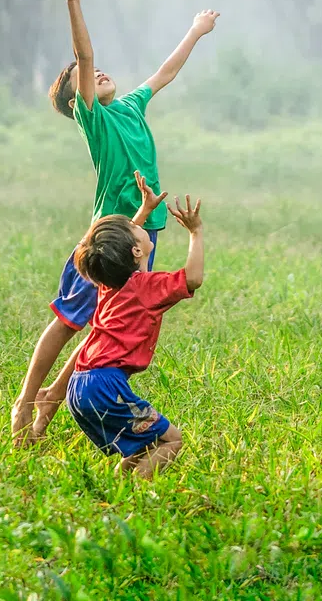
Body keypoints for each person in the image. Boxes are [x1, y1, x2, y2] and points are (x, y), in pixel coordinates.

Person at [10, 0, 218, 442]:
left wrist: (195, 31)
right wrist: (73, 0)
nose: (98, 72)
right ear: (74, 99)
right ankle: (26, 403)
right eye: (83, 77)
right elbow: (84, 56)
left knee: (106, 328)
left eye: (100, 71)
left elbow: (164, 72)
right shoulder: (95, 120)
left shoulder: (129, 106)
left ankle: (46, 415)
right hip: (108, 237)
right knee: (68, 321)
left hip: (145, 232)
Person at [64, 176, 204, 478]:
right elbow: (192, 278)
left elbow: (121, 250)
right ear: (136, 251)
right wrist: (196, 232)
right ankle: (135, 496)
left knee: (142, 445)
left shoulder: (109, 281)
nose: (138, 224)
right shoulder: (147, 287)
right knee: (172, 440)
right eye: (136, 227)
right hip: (105, 388)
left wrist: (143, 210)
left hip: (79, 387)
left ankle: (118, 485)